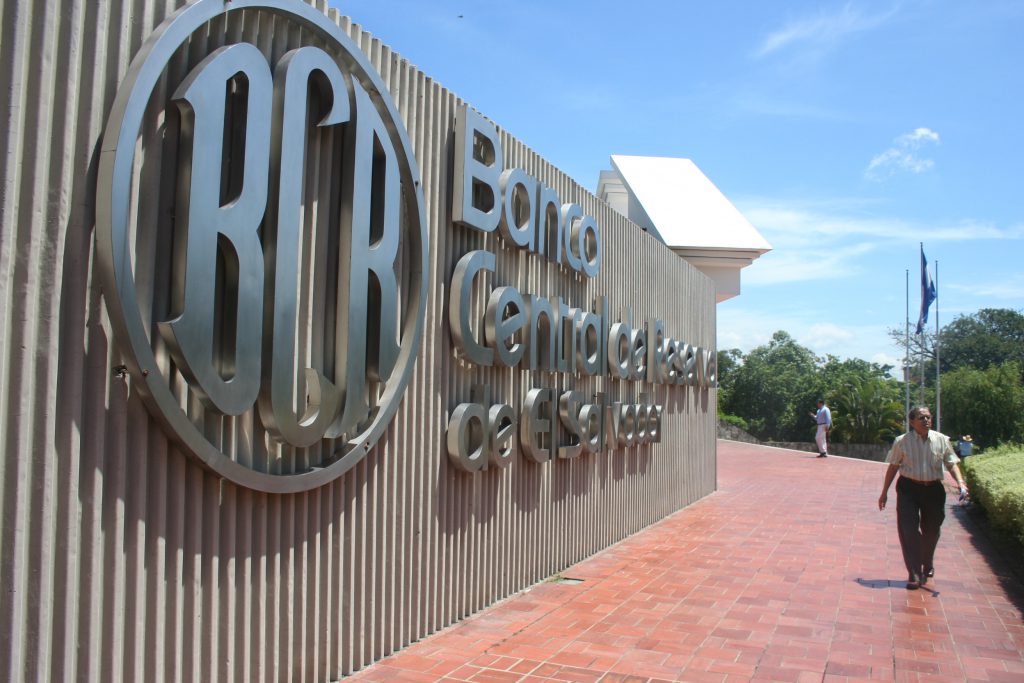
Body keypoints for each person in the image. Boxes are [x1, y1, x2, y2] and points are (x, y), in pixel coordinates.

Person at [877, 406, 968, 590]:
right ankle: (914, 573)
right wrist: (884, 492)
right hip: (908, 489)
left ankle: (927, 561)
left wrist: (960, 482)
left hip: (933, 490)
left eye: (928, 417)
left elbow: (951, 463)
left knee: (932, 530)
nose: (926, 420)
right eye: (921, 417)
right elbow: (893, 466)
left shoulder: (941, 440)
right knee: (908, 529)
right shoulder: (902, 441)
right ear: (912, 422)